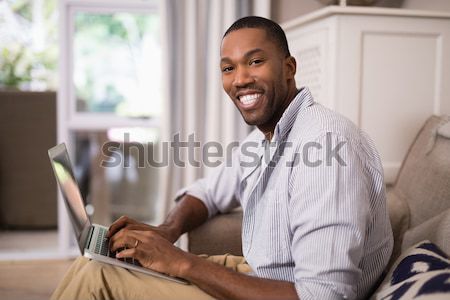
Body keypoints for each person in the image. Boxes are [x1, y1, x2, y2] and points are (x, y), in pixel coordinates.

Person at [51, 16, 393, 300]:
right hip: (260, 275)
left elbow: (322, 296)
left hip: (286, 293)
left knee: (98, 274)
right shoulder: (263, 141)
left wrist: (182, 264)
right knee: (103, 263)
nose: (240, 79)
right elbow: (207, 192)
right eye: (228, 68)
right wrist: (167, 231)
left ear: (289, 67)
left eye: (255, 62)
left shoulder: (326, 146)